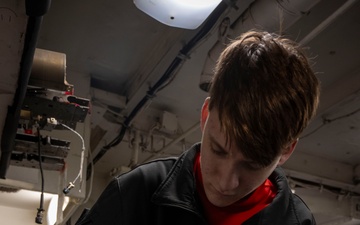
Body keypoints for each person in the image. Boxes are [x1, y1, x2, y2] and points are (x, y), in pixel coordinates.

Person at [75, 30, 320, 225]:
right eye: (218, 150)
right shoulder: (134, 194)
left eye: (252, 164)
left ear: (287, 150)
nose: (226, 182)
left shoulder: (298, 222)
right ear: (205, 114)